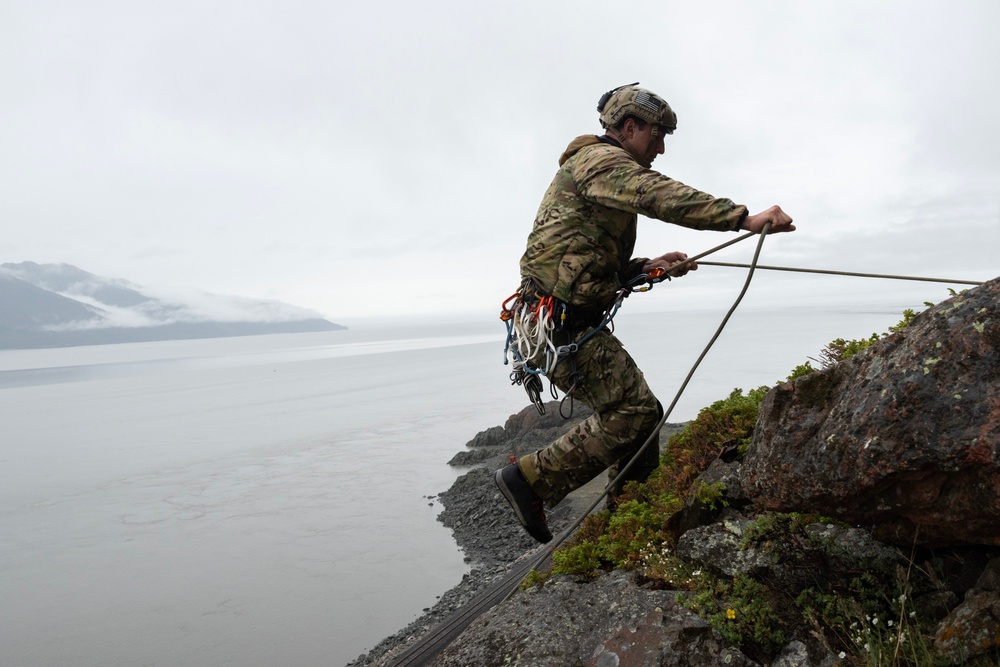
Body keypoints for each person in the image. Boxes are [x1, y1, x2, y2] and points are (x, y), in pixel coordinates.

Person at [495, 83, 795, 544]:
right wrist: (742, 218)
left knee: (642, 413)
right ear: (629, 128)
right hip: (557, 324)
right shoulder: (602, 163)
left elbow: (582, 258)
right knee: (634, 412)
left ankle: (630, 516)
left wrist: (643, 268)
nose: (660, 146)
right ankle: (530, 479)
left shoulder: (596, 171)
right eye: (657, 134)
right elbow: (655, 194)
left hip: (559, 319)